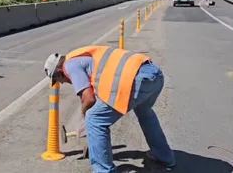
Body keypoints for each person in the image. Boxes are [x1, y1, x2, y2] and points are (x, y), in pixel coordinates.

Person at [44, 45, 175, 173]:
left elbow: (88, 98)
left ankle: (103, 170)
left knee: (94, 119)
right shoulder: (80, 56)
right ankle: (163, 156)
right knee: (145, 113)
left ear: (59, 72)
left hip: (135, 80)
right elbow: (96, 95)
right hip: (153, 74)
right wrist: (92, 138)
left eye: (58, 80)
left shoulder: (69, 66)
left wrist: (85, 119)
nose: (61, 83)